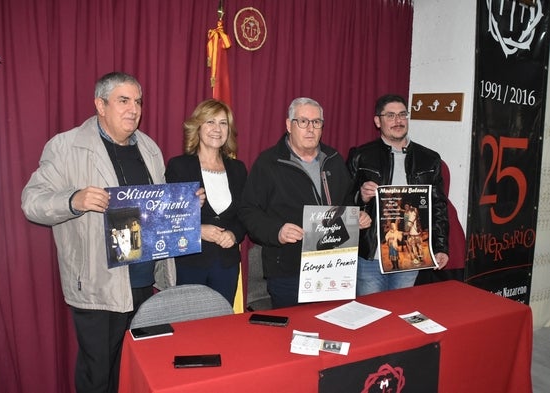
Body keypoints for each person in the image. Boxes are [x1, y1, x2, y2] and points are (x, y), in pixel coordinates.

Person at [21, 72, 204, 393]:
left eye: (138, 101)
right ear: (100, 105)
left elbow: (154, 209)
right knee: (98, 375)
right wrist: (73, 200)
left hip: (144, 282)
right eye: (123, 101)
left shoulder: (149, 147)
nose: (133, 109)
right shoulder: (66, 147)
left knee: (134, 370)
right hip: (98, 286)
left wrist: (185, 207)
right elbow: (31, 201)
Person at [239, 97, 372, 309]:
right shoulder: (269, 163)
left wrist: (358, 215)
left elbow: (346, 202)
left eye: (316, 122)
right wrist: (277, 231)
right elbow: (248, 210)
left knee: (336, 329)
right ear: (288, 125)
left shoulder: (334, 159)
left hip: (335, 265)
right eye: (303, 121)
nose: (310, 128)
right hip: (288, 271)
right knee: (295, 335)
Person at [346, 93, 449, 295]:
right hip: (371, 256)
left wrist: (441, 246)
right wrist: (362, 198)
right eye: (390, 115)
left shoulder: (429, 159)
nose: (398, 120)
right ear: (378, 121)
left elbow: (438, 206)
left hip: (411, 255)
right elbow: (343, 201)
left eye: (402, 115)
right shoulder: (361, 156)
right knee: (371, 317)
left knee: (402, 314)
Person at [165, 99, 247, 305]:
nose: (217, 129)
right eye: (210, 122)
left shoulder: (238, 169)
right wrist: (198, 229)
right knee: (191, 326)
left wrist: (234, 234)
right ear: (198, 127)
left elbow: (246, 213)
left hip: (227, 262)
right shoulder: (179, 166)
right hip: (191, 260)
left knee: (221, 326)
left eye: (223, 123)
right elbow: (166, 217)